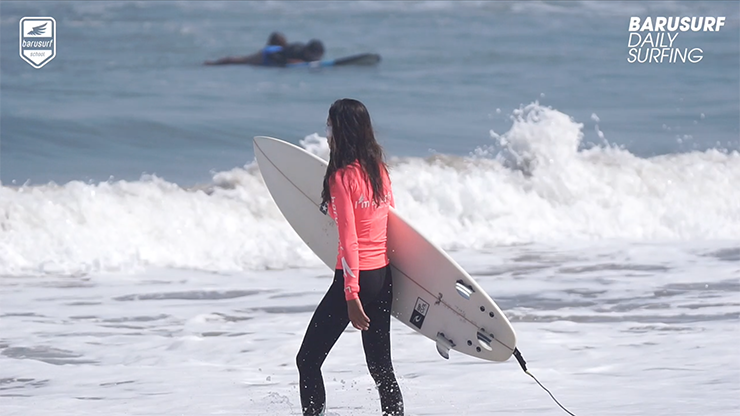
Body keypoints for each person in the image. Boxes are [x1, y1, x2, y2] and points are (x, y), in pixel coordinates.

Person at [296, 99, 404, 416]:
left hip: (357, 279)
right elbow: (393, 224)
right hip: (383, 276)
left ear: (340, 131)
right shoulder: (380, 173)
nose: (327, 133)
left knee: (307, 360)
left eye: (330, 126)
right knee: (382, 368)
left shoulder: (341, 178)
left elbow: (349, 238)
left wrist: (351, 293)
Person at [204, 32, 324, 66]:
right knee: (240, 61)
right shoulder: (297, 50)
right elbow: (281, 58)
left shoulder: (303, 51)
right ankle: (213, 63)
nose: (319, 57)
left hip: (272, 52)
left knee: (241, 60)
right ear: (310, 51)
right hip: (268, 55)